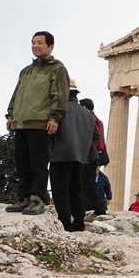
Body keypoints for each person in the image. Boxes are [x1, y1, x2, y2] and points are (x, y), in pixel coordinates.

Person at [5, 31, 70, 215]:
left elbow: (60, 95)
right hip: (21, 122)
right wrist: (11, 115)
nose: (35, 46)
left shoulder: (57, 68)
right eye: (33, 43)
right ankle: (24, 197)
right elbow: (16, 94)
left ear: (51, 46)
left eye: (40, 43)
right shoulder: (26, 71)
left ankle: (38, 198)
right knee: (22, 164)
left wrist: (55, 118)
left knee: (38, 164)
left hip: (40, 123)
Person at [48, 79, 99, 232]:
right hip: (80, 158)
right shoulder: (88, 115)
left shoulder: (58, 111)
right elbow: (96, 136)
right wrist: (83, 148)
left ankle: (65, 223)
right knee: (77, 190)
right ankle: (79, 223)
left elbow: (49, 132)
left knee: (60, 191)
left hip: (60, 155)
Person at [77, 96, 106, 215]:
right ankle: (91, 208)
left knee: (87, 183)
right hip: (93, 155)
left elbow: (96, 138)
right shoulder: (97, 120)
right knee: (87, 183)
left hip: (88, 155)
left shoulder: (89, 119)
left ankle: (98, 209)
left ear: (84, 107)